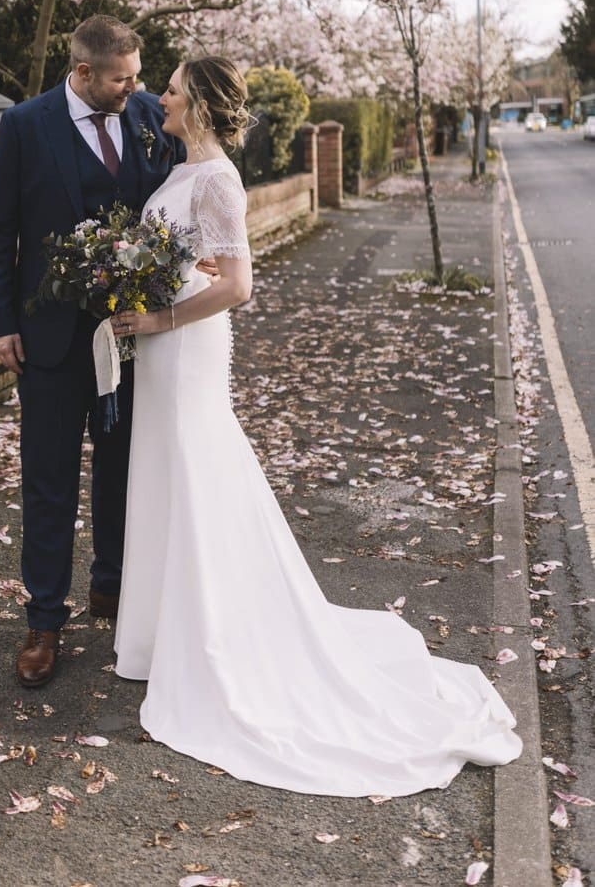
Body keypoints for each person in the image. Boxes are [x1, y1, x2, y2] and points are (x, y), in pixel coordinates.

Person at [109, 56, 522, 797]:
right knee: (166, 470)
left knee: (197, 464)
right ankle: (160, 632)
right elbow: (188, 260)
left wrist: (159, 315)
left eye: (170, 89)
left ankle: (213, 633)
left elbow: (238, 284)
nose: (158, 98)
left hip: (188, 346)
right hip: (163, 346)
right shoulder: (177, 172)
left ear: (197, 104)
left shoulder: (219, 180)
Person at [0, 15, 183, 689]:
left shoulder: (150, 113)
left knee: (126, 468)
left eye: (138, 75)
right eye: (122, 79)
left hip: (134, 336)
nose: (137, 88)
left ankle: (113, 588)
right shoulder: (25, 126)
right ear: (85, 73)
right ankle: (43, 620)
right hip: (51, 341)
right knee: (49, 479)